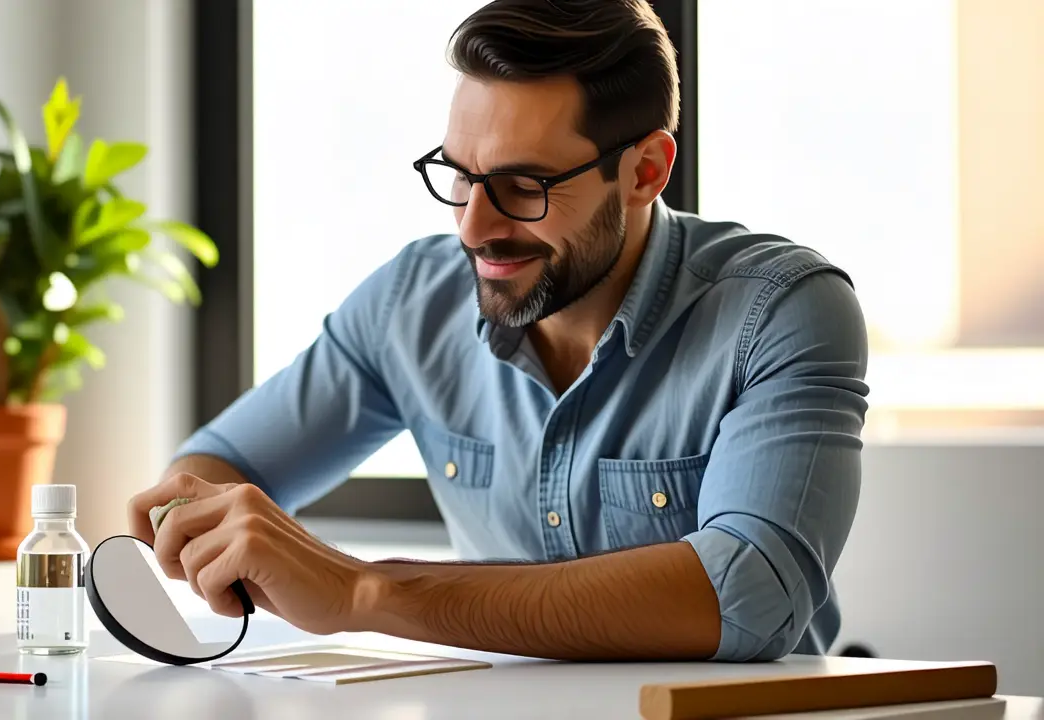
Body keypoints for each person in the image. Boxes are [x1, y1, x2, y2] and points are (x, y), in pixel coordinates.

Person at [127, 0, 869, 663]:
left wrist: (363, 592)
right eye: (458, 175)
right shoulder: (411, 303)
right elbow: (224, 464)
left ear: (645, 171)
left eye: (525, 187)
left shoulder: (781, 312)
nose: (475, 228)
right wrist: (199, 521)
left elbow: (750, 595)